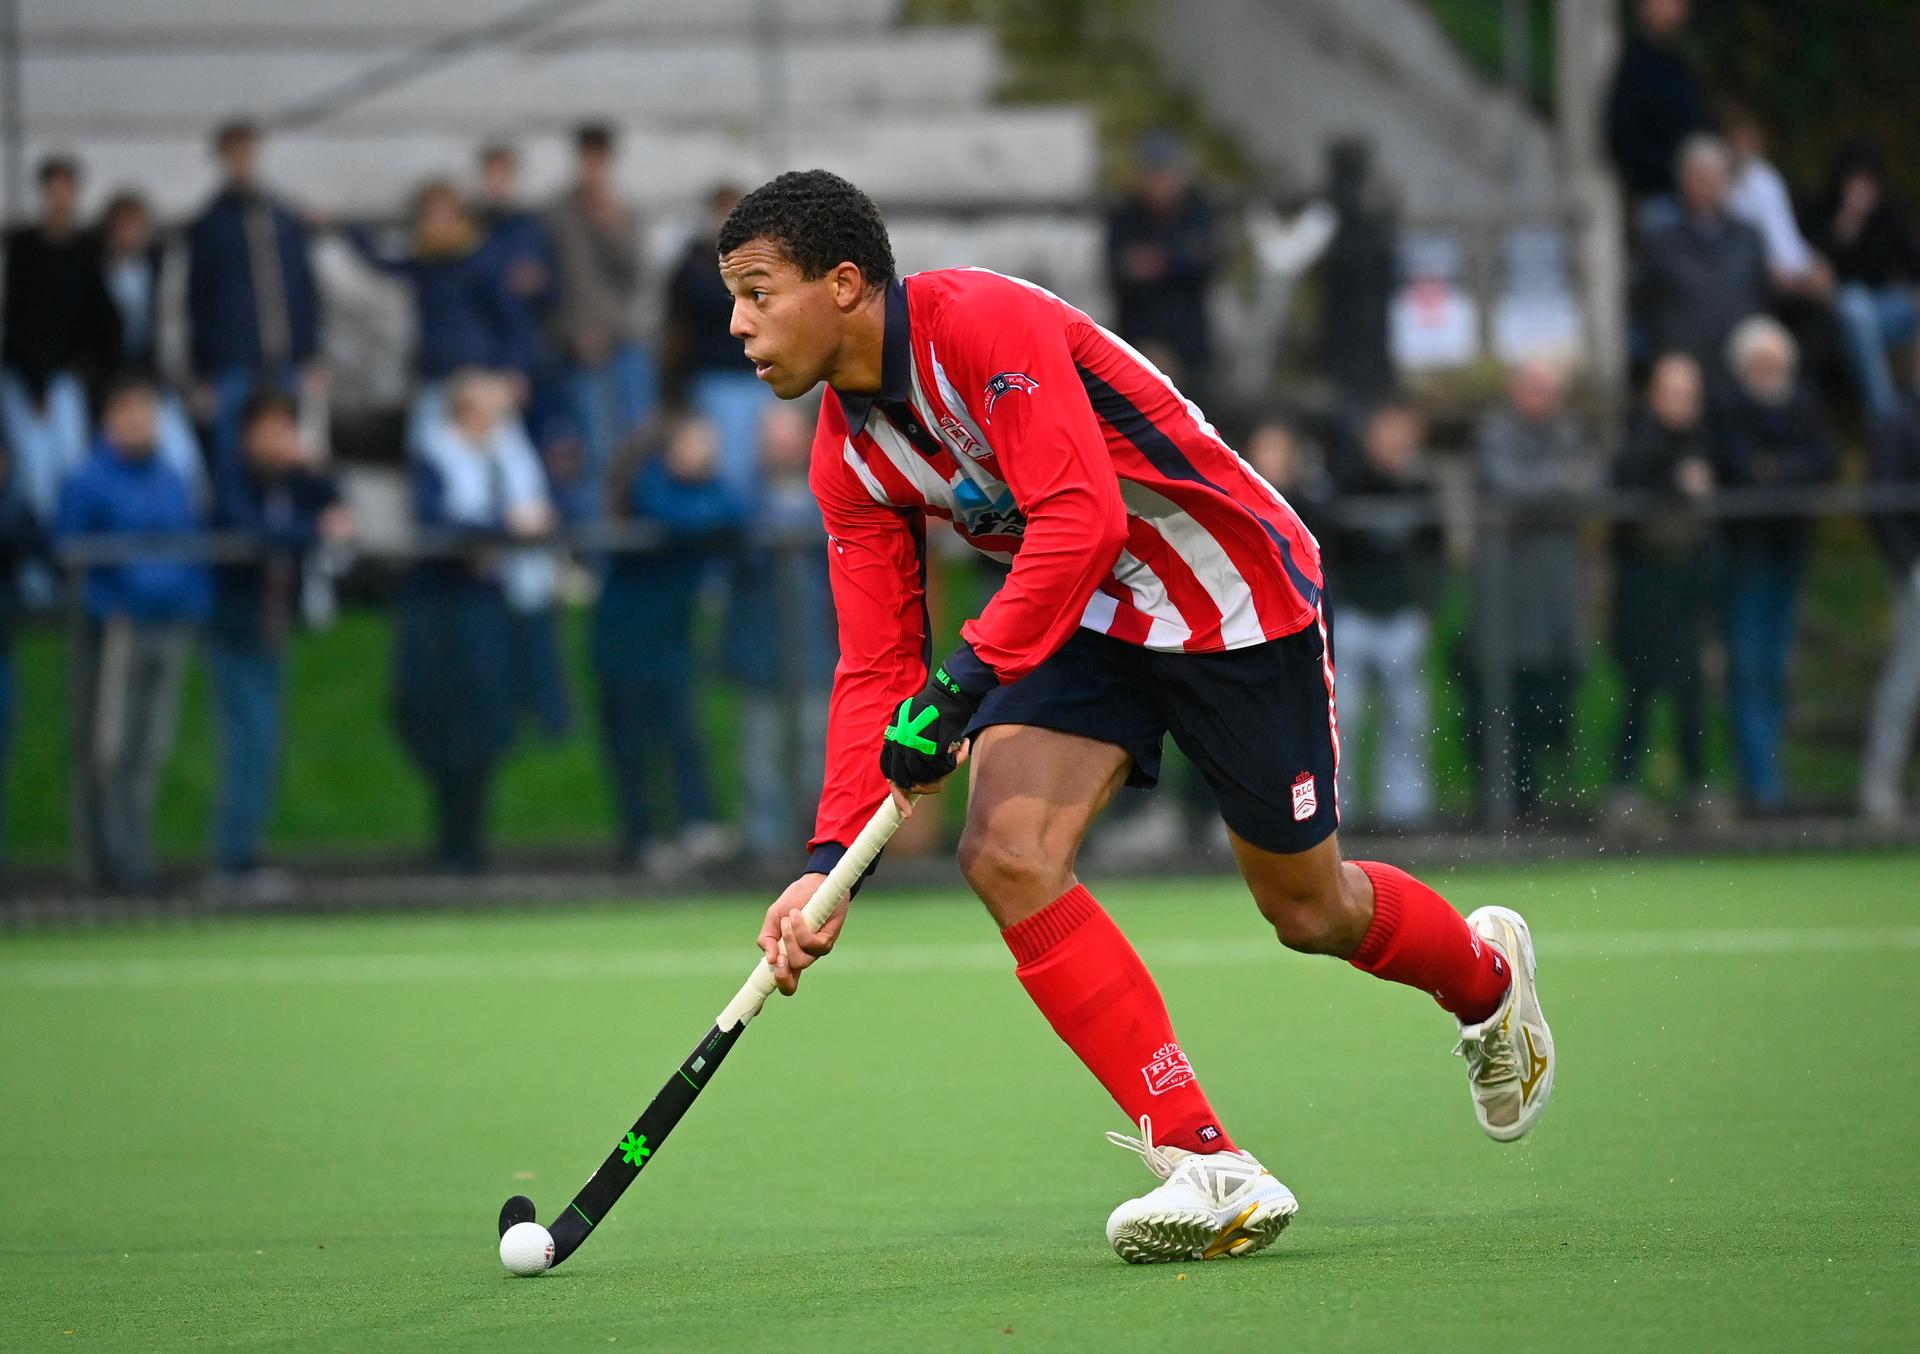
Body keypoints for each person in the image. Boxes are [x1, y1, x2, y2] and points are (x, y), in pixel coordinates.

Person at [717, 170, 1554, 1266]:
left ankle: (1486, 982)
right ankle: (1208, 1162)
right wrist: (830, 863)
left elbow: (1080, 511)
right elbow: (875, 664)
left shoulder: (983, 325)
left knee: (1308, 908)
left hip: (1231, 593)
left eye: (756, 291)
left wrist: (961, 685)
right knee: (1007, 852)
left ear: (841, 284)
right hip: (1085, 612)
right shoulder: (848, 454)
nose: (737, 325)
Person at [54, 375, 209, 893]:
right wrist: (111, 604)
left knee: (149, 748)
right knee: (109, 748)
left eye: (146, 413)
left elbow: (188, 544)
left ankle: (135, 857)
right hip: (118, 629)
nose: (139, 423)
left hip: (168, 624)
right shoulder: (91, 480)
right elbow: (72, 552)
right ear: (109, 420)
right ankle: (106, 865)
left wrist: (190, 602)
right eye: (128, 413)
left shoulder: (170, 475)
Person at [396, 370, 553, 873]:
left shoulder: (507, 460)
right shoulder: (433, 459)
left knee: (485, 730)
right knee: (445, 730)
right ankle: (449, 843)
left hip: (488, 614)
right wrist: (502, 528)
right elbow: (436, 525)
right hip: (442, 617)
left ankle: (470, 843)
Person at [206, 390, 349, 898]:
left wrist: (314, 466)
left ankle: (246, 853)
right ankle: (232, 858)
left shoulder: (285, 479)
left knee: (265, 741)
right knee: (248, 739)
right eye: (269, 430)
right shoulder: (233, 477)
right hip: (237, 624)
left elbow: (333, 501)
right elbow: (259, 532)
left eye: (285, 429)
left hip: (269, 627)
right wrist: (311, 528)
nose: (279, 440)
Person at [593, 414, 743, 873]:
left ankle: (695, 826)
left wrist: (704, 517)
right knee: (633, 739)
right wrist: (703, 521)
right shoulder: (649, 481)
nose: (706, 454)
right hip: (624, 635)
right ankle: (642, 837)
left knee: (682, 731)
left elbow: (734, 510)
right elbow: (673, 518)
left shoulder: (709, 487)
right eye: (697, 443)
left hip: (672, 637)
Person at [1713, 316, 1835, 813]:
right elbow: (1740, 465)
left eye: (1778, 363)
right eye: (1762, 364)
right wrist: (1784, 470)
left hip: (1789, 549)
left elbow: (1822, 459)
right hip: (1746, 554)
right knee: (1749, 667)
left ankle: (1772, 778)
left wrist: (1777, 470)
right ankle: (1760, 785)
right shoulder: (1730, 407)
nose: (1772, 372)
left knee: (1778, 667)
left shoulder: (1802, 402)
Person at [1469, 359, 1600, 819]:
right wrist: (1558, 484)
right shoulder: (1496, 433)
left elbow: (1591, 484)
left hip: (1557, 587)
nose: (1543, 399)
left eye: (1550, 389)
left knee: (1560, 685)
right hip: (1510, 586)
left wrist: (1550, 489)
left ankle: (1555, 794)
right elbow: (1509, 485)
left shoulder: (1569, 432)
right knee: (1507, 689)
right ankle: (1503, 799)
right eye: (1535, 388)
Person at [1606, 354, 1717, 828]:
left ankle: (1697, 786)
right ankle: (1624, 788)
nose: (1682, 405)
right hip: (1644, 589)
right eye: (1673, 393)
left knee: (1693, 691)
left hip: (1689, 588)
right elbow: (1630, 491)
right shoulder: (1638, 441)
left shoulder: (1707, 441)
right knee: (1641, 690)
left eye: (1689, 394)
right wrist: (1677, 482)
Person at [722, 401, 836, 860]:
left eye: (787, 433)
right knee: (760, 755)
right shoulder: (740, 496)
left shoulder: (829, 489)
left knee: (818, 753)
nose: (778, 443)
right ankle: (765, 847)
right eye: (771, 434)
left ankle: (818, 847)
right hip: (761, 653)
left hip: (817, 650)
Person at [1321, 400, 1441, 829]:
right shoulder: (1346, 483)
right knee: (1345, 720)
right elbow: (1325, 554)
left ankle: (1404, 814)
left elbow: (1437, 556)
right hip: (1353, 619)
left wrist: (1428, 609)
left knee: (1408, 719)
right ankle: (1340, 814)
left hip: (1403, 618)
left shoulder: (1422, 487)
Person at [186, 120, 323, 469]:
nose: (241, 160)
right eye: (233, 153)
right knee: (232, 446)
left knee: (288, 448)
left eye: (246, 151)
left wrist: (311, 350)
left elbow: (305, 287)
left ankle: (285, 516)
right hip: (232, 360)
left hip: (285, 356)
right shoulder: (211, 223)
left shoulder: (282, 217)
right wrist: (203, 367)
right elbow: (197, 299)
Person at [2, 157, 117, 558]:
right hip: (27, 376)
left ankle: (65, 556)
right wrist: (34, 380)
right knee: (32, 473)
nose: (60, 197)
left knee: (70, 467)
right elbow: (19, 316)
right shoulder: (25, 246)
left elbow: (97, 318)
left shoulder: (86, 249)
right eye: (54, 188)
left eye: (67, 187)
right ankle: (35, 560)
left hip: (66, 377)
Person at [345, 181, 518, 440]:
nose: (437, 224)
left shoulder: (480, 261)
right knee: (425, 447)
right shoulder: (425, 263)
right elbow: (382, 262)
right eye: (430, 216)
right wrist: (350, 226)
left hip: (475, 379)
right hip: (434, 376)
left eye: (444, 215)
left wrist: (510, 368)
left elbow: (509, 318)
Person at [546, 124, 654, 520]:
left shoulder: (622, 210)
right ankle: (600, 553)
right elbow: (554, 283)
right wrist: (571, 332)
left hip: (624, 339)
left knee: (639, 443)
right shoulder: (556, 213)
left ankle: (636, 535)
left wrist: (609, 222)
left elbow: (635, 270)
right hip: (581, 347)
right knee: (595, 450)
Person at [92, 191, 208, 504]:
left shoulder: (159, 268)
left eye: (138, 225)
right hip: (108, 384)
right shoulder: (95, 271)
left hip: (152, 380)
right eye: (125, 225)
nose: (132, 234)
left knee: (182, 457)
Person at [665, 184, 774, 505]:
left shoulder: (761, 261)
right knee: (728, 471)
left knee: (762, 470)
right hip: (715, 376)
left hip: (758, 375)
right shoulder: (696, 263)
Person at [1633, 135, 1771, 371]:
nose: (1707, 185)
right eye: (1699, 177)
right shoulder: (1662, 242)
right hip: (1683, 367)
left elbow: (1764, 297)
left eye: (1714, 177)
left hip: (1740, 366)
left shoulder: (1748, 237)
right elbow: (1644, 302)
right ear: (1682, 181)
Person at [1807, 140, 1920, 422]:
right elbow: (1822, 275)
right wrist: (1849, 221)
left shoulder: (1890, 214)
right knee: (1856, 304)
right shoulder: (1824, 214)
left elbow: (1912, 262)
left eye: (1868, 182)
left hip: (1883, 309)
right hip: (1841, 312)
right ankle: (1885, 414)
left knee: (1879, 310)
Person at [1104, 131, 1219, 405]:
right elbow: (1118, 270)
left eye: (1165, 174)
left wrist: (1159, 261)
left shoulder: (1197, 209)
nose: (1159, 183)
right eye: (1151, 174)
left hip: (1189, 340)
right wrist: (1175, 259)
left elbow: (1205, 259)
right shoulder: (1126, 215)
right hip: (1139, 337)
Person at [1859, 346, 1920, 823]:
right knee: (1905, 682)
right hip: (1915, 571)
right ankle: (1879, 792)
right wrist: (1909, 563)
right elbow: (1881, 501)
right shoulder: (1896, 422)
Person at [1604, 0, 1706, 227]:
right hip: (1659, 196)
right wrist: (1673, 171)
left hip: (1696, 197)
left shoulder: (1679, 60)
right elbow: (1621, 138)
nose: (1677, 9)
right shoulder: (1635, 64)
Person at [473, 144, 557, 396]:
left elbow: (552, 294)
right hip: (478, 357)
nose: (497, 183)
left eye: (504, 174)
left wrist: (540, 283)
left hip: (525, 357)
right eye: (492, 174)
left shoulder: (531, 230)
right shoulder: (471, 229)